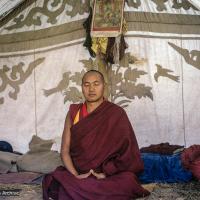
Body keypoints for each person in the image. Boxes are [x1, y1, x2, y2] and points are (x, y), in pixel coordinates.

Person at [42, 70, 149, 200]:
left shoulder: (116, 113)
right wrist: (76, 175)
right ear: (81, 87)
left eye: (96, 84)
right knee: (54, 181)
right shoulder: (74, 113)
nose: (91, 89)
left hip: (108, 174)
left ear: (104, 86)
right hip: (80, 173)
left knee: (128, 181)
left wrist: (105, 174)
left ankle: (84, 189)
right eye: (86, 85)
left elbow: (128, 153)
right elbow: (64, 150)